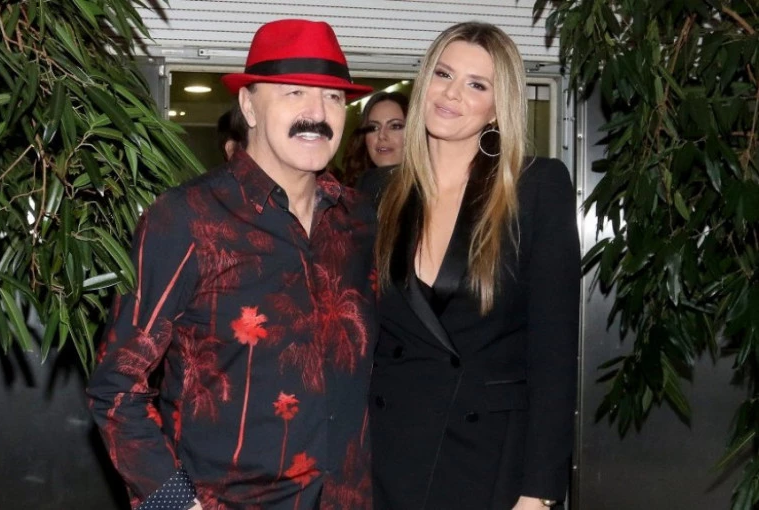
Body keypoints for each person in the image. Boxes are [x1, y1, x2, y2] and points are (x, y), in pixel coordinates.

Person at [87, 19, 377, 510]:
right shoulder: (186, 219)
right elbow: (116, 389)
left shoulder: (361, 222)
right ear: (248, 105)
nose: (317, 113)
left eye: (333, 97)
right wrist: (176, 505)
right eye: (294, 92)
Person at [369, 21, 580, 510]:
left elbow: (553, 353)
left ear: (497, 107)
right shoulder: (377, 191)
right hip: (385, 451)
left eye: (476, 85)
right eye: (443, 74)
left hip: (487, 459)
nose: (452, 93)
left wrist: (540, 492)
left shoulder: (536, 187)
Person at [341, 91, 408, 187]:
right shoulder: (354, 189)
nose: (381, 135)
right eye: (373, 128)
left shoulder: (427, 190)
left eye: (395, 126)